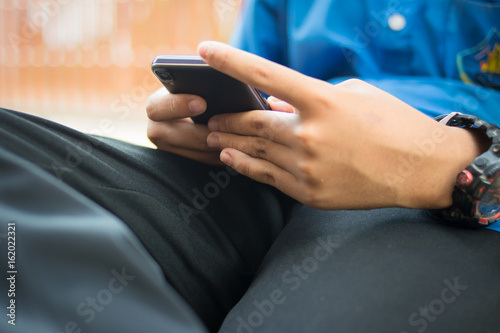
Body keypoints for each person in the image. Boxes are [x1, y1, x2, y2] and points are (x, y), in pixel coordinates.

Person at [1, 1, 499, 333]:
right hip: (253, 175)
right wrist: (216, 124)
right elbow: (256, 73)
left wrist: (452, 165)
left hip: (434, 200)